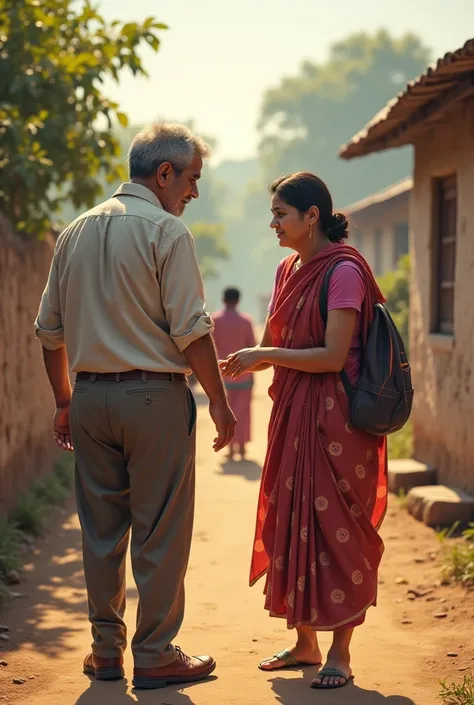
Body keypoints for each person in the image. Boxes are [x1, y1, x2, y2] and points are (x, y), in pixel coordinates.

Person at [34, 122, 236, 691]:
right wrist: (219, 403)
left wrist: (64, 402)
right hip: (154, 398)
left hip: (91, 396)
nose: (193, 193)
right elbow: (192, 330)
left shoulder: (73, 231)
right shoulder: (166, 233)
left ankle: (104, 653)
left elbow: (48, 332)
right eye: (191, 180)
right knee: (161, 529)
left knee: (101, 531)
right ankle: (154, 653)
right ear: (164, 173)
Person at [220, 172, 387, 691]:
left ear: (311, 216)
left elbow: (334, 355)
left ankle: (340, 651)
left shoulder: (343, 272)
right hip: (294, 415)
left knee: (339, 530)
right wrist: (245, 360)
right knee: (294, 522)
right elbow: (275, 342)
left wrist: (264, 354)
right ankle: (306, 641)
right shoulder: (287, 269)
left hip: (340, 419)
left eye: (280, 214)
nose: (272, 223)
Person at [212, 288, 256, 461]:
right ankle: (242, 447)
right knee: (243, 412)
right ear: (238, 300)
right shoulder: (246, 321)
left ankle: (229, 447)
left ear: (223, 300)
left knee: (225, 412)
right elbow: (252, 348)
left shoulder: (214, 321)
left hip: (221, 375)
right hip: (243, 374)